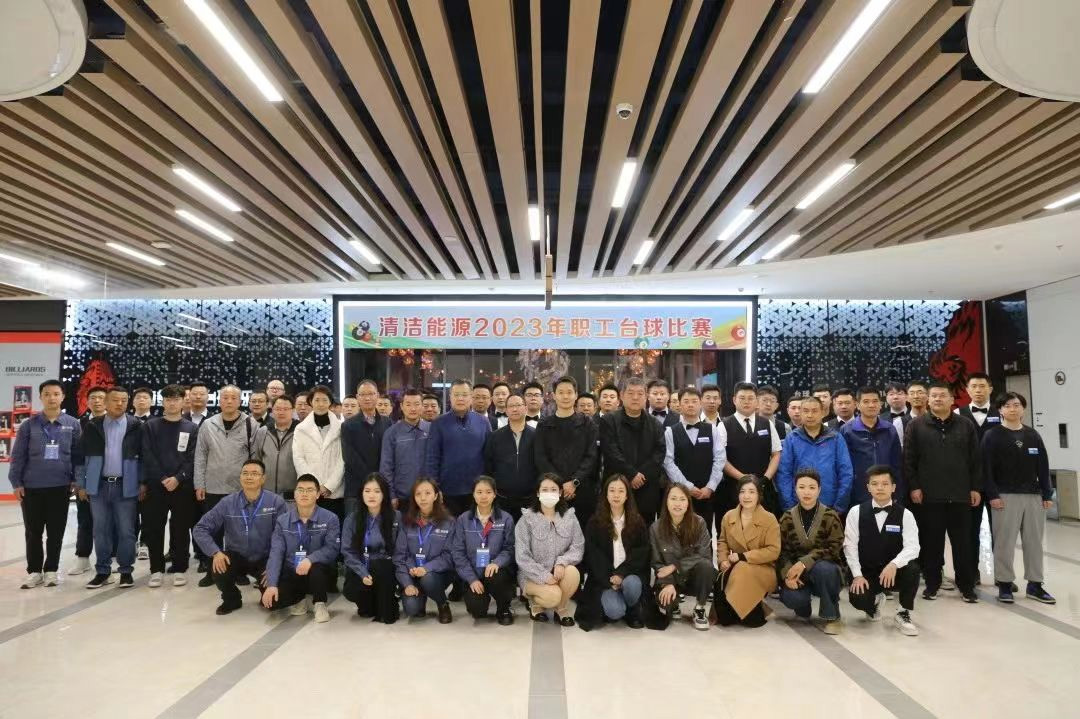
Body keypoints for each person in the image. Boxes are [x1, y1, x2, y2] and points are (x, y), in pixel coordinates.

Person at [905, 381, 981, 602]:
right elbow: (909, 460)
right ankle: (932, 584)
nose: (938, 399)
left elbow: (975, 460)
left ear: (951, 400)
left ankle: (966, 587)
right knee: (931, 544)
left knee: (963, 544)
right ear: (928, 400)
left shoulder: (965, 425)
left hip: (960, 495)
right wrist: (914, 486)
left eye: (942, 395)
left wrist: (975, 487)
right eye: (934, 396)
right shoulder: (916, 425)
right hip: (929, 496)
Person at [983, 392, 1055, 604]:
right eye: (1007, 406)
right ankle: (1005, 584)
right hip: (1004, 496)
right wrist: (992, 495)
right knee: (1004, 543)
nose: (1012, 409)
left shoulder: (1033, 435)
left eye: (1016, 405)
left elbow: (1043, 466)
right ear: (1000, 410)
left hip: (1033, 496)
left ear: (1023, 408)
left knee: (1034, 543)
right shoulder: (992, 435)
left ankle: (1035, 585)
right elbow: (986, 469)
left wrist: (1047, 492)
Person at [10, 379, 83, 589]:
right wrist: (16, 483)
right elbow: (18, 456)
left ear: (63, 397)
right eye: (47, 394)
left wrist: (77, 480)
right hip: (31, 487)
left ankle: (51, 570)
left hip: (60, 486)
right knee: (33, 532)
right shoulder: (28, 425)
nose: (52, 398)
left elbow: (78, 456)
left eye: (56, 394)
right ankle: (34, 571)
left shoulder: (72, 424)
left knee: (56, 531)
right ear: (41, 397)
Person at [194, 459, 287, 615]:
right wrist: (215, 552)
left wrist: (274, 565)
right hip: (236, 557)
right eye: (245, 473)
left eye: (254, 473)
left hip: (265, 558)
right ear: (240, 477)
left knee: (275, 603)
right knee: (219, 567)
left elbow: (284, 536)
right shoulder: (227, 503)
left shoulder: (276, 502)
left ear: (263, 478)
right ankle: (232, 599)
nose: (249, 477)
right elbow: (200, 528)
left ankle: (265, 593)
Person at [79, 386, 143, 589]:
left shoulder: (136, 426)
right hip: (99, 486)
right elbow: (81, 457)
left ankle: (126, 571)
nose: (120, 403)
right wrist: (81, 484)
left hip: (126, 486)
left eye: (124, 400)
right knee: (100, 531)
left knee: (126, 531)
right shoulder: (93, 426)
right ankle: (103, 571)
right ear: (106, 402)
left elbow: (145, 457)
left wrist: (142, 482)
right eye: (115, 400)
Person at [193, 384, 258, 586]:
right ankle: (212, 570)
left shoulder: (251, 424)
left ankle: (238, 571)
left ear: (240, 401)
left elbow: (255, 458)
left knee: (239, 533)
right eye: (225, 398)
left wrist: (253, 486)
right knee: (213, 530)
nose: (229, 401)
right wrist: (199, 483)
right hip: (213, 486)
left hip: (240, 489)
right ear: (219, 401)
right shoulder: (208, 424)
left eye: (233, 398)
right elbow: (200, 456)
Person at [844, 465, 920, 635]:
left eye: (885, 484)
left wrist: (894, 564)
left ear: (893, 487)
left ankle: (903, 612)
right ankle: (874, 603)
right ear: (868, 487)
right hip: (867, 571)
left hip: (894, 572)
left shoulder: (906, 515)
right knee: (858, 597)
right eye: (875, 484)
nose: (880, 488)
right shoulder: (856, 512)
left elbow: (913, 547)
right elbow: (850, 546)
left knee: (913, 568)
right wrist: (857, 575)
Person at [262, 474, 340, 623]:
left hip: (318, 571)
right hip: (293, 570)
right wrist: (272, 584)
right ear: (295, 494)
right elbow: (276, 553)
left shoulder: (330, 518)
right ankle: (299, 599)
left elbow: (332, 549)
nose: (304, 494)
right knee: (272, 602)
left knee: (317, 568)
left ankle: (319, 603)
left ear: (317, 494)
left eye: (310, 490)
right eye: (300, 490)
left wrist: (310, 559)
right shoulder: (282, 521)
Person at [141, 384, 198, 587]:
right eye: (168, 399)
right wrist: (163, 478)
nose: (172, 403)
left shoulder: (191, 428)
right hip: (156, 486)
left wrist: (178, 478)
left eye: (176, 399)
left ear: (183, 401)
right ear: (162, 402)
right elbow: (147, 454)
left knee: (180, 528)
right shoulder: (150, 426)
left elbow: (192, 458)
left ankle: (180, 567)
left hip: (182, 486)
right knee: (154, 528)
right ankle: (156, 569)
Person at [576, 474, 648, 631]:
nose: (616, 495)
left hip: (629, 575)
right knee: (614, 612)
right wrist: (610, 578)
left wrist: (621, 574)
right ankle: (618, 604)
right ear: (606, 494)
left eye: (621, 491)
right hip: (605, 578)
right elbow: (593, 555)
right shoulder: (595, 522)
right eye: (612, 490)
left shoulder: (637, 521)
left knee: (632, 584)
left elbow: (641, 553)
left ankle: (633, 610)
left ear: (627, 495)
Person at [778, 469, 845, 634]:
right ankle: (803, 604)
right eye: (801, 487)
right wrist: (787, 574)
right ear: (795, 489)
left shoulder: (830, 516)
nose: (806, 492)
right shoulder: (787, 517)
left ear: (819, 490)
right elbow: (781, 552)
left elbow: (834, 548)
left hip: (824, 571)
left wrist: (804, 562)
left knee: (825, 569)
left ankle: (832, 615)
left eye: (812, 487)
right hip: (798, 575)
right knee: (793, 599)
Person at [515, 474, 585, 625]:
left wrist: (562, 562)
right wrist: (543, 576)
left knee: (573, 572)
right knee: (552, 596)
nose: (549, 493)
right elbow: (522, 556)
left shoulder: (570, 517)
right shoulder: (526, 519)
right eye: (544, 490)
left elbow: (578, 547)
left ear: (560, 492)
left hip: (558, 574)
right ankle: (535, 602)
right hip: (532, 576)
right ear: (538, 493)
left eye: (553, 489)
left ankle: (561, 607)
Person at [714, 475, 780, 628]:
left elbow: (773, 551)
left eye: (751, 492)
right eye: (742, 492)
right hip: (735, 567)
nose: (746, 496)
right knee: (725, 620)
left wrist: (743, 556)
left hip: (763, 569)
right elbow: (723, 542)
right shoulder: (728, 516)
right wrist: (723, 560)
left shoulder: (769, 519)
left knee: (751, 622)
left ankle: (751, 609)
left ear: (759, 495)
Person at [647, 483, 714, 630]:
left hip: (693, 576)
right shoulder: (655, 528)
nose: (677, 504)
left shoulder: (699, 523)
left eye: (682, 499)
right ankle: (675, 604)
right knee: (665, 602)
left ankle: (700, 608)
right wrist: (667, 583)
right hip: (672, 578)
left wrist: (674, 566)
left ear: (688, 503)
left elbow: (704, 555)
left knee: (707, 566)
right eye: (673, 498)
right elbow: (657, 563)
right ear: (666, 501)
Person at [535, 376, 599, 529]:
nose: (565, 396)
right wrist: (560, 484)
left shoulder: (587, 423)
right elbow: (541, 457)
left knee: (584, 532)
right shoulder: (544, 424)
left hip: (583, 490)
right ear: (554, 395)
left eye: (569, 392)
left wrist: (575, 481)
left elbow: (591, 456)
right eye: (561, 392)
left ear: (576, 395)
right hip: (553, 491)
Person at [599, 378, 665, 523]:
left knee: (645, 527)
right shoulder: (608, 420)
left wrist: (640, 476)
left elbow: (659, 453)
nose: (635, 397)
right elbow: (611, 451)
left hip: (646, 486)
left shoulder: (655, 424)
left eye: (640, 393)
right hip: (616, 485)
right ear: (622, 396)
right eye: (630, 393)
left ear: (646, 397)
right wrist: (632, 474)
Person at [451, 476, 516, 624]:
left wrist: (497, 563)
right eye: (479, 492)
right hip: (474, 573)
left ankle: (503, 608)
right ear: (473, 495)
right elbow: (458, 553)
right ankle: (479, 598)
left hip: (496, 572)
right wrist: (472, 579)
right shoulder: (463, 519)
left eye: (488, 492)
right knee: (477, 611)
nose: (484, 496)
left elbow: (509, 548)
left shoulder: (505, 518)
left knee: (497, 577)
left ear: (495, 494)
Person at [956, 372, 1001, 585]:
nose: (978, 390)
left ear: (990, 389)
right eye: (974, 386)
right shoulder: (957, 413)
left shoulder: (1002, 413)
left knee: (1000, 532)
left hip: (998, 483)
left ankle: (1003, 575)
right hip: (968, 483)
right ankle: (971, 573)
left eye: (982, 386)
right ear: (967, 390)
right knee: (969, 531)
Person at [663, 387, 726, 535]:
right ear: (679, 404)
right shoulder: (670, 431)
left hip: (707, 492)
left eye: (694, 401)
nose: (690, 405)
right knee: (679, 533)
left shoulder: (712, 429)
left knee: (705, 533)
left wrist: (710, 486)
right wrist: (687, 487)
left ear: (700, 403)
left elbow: (720, 458)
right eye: (686, 401)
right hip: (680, 493)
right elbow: (668, 462)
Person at [777, 396, 854, 514]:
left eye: (814, 411)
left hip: (829, 504)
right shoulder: (792, 438)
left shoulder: (835, 438)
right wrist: (789, 507)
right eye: (806, 411)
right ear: (801, 413)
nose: (810, 415)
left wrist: (839, 506)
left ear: (823, 413)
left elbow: (846, 473)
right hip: (798, 504)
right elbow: (784, 474)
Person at [424, 379, 490, 516]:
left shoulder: (483, 422)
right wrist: (434, 487)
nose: (460, 398)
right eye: (456, 394)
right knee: (449, 526)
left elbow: (490, 455)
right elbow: (432, 458)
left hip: (477, 490)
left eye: (464, 395)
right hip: (448, 490)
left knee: (475, 526)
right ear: (450, 397)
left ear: (471, 397)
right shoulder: (438, 423)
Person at [394, 477, 456, 622]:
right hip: (413, 574)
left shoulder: (449, 522)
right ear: (414, 497)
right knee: (412, 609)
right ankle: (419, 600)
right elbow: (400, 556)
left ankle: (442, 603)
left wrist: (426, 568)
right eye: (418, 494)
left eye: (427, 493)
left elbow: (449, 556)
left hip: (437, 575)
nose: (423, 498)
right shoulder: (407, 522)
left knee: (428, 579)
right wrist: (408, 583)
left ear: (435, 496)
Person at [341, 473, 401, 622]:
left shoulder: (396, 517)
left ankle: (387, 599)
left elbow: (401, 550)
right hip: (362, 567)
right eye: (367, 491)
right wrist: (362, 572)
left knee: (387, 615)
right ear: (361, 494)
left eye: (377, 491)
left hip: (387, 568)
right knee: (360, 602)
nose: (371, 495)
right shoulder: (352, 519)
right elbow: (347, 551)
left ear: (384, 494)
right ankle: (370, 601)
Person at [721, 382, 782, 520]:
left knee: (764, 524)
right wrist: (744, 479)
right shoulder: (724, 425)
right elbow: (721, 459)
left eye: (750, 398)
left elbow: (776, 454)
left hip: (763, 486)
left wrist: (766, 478)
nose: (746, 402)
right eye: (742, 398)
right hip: (735, 487)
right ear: (734, 400)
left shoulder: (767, 424)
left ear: (756, 401)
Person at [840, 387, 903, 507]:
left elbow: (897, 464)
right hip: (858, 492)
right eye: (866, 401)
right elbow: (844, 466)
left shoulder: (889, 429)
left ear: (880, 404)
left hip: (886, 491)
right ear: (857, 405)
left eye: (875, 401)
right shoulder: (847, 430)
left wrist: (897, 493)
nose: (871, 405)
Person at [293, 385, 345, 522]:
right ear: (311, 402)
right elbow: (298, 458)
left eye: (324, 400)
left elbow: (343, 459)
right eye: (317, 400)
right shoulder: (301, 429)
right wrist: (314, 486)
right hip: (309, 493)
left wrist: (329, 486)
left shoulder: (341, 428)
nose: (320, 404)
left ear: (330, 402)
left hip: (334, 493)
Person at [341, 380, 391, 517]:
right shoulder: (348, 425)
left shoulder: (387, 423)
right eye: (363, 394)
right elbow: (349, 457)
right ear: (357, 397)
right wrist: (371, 479)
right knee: (354, 526)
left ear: (377, 396)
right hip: (356, 488)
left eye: (371, 394)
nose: (367, 398)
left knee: (382, 525)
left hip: (382, 487)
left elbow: (389, 454)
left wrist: (380, 480)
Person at [71, 386, 107, 575]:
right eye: (93, 397)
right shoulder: (80, 424)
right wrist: (80, 483)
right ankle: (83, 558)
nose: (97, 401)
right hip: (87, 481)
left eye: (101, 397)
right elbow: (78, 456)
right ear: (87, 401)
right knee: (85, 520)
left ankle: (110, 560)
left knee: (110, 523)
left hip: (110, 481)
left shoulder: (116, 422)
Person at [483, 393, 536, 521]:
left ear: (525, 408)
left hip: (530, 498)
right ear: (506, 410)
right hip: (502, 498)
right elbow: (488, 466)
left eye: (518, 405)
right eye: (511, 406)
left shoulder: (536, 435)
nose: (515, 409)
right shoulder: (495, 437)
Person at [380, 388, 430, 507]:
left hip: (428, 495)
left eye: (417, 404)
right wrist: (391, 495)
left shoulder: (432, 429)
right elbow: (386, 467)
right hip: (402, 497)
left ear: (422, 406)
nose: (413, 408)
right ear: (402, 406)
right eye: (408, 404)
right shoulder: (391, 433)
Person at [253, 395, 299, 500]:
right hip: (266, 494)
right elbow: (257, 461)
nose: (281, 412)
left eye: (285, 409)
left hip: (293, 495)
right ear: (272, 411)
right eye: (277, 409)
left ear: (293, 410)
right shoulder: (263, 431)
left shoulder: (300, 431)